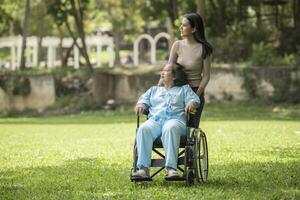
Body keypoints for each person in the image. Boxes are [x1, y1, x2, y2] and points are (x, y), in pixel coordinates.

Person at [132, 63, 200, 178]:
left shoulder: (183, 90)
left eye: (166, 71)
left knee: (170, 128)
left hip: (176, 120)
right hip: (155, 121)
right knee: (143, 129)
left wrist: (191, 103)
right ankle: (143, 169)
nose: (162, 73)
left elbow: (195, 100)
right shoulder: (153, 90)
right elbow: (142, 101)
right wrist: (141, 105)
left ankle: (171, 169)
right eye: (162, 71)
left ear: (174, 76)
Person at [168, 13, 213, 127]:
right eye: (181, 25)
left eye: (184, 25)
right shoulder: (177, 45)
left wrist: (196, 96)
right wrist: (160, 86)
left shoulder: (204, 49)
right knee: (172, 124)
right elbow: (168, 69)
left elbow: (206, 76)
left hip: (195, 90)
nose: (181, 28)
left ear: (194, 29)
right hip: (177, 91)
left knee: (190, 128)